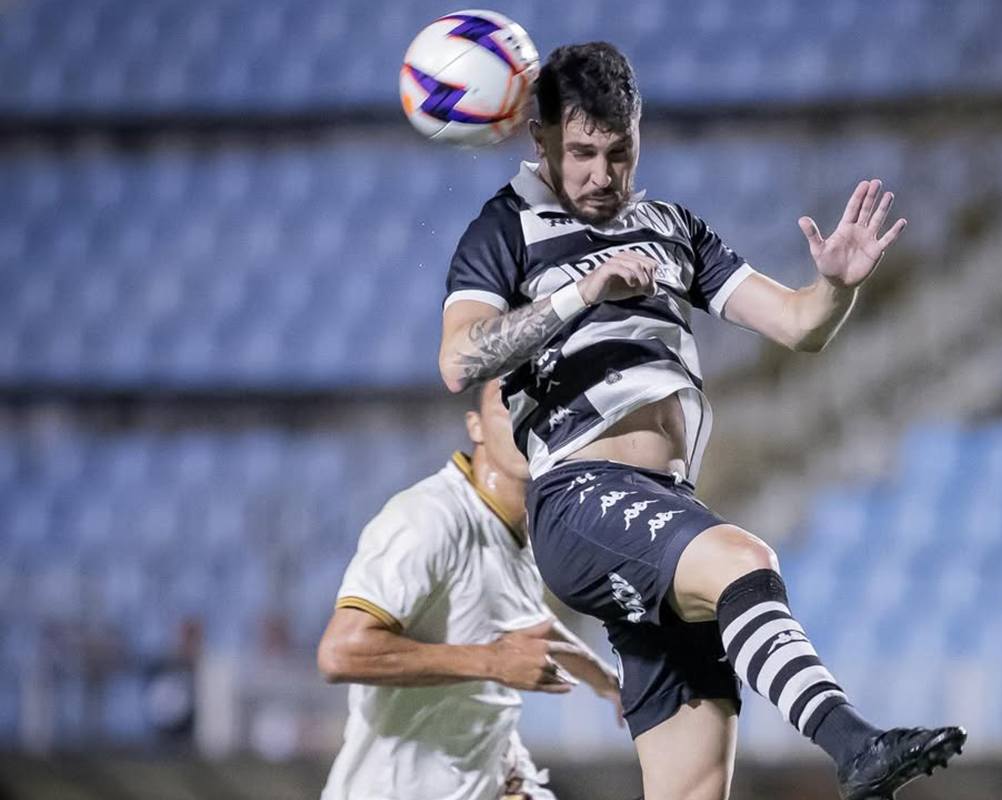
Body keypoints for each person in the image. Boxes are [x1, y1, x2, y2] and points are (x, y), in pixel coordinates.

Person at [438, 42, 966, 800]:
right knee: (743, 561)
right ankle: (855, 746)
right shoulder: (505, 228)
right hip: (579, 498)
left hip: (663, 509)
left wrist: (835, 287)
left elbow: (797, 325)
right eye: (582, 153)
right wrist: (581, 293)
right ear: (541, 139)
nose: (602, 175)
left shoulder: (672, 226)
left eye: (619, 153)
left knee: (693, 788)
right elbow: (459, 359)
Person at [317, 379, 620, 800]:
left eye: (538, 406)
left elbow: (526, 622)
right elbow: (341, 653)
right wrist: (494, 661)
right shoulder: (429, 517)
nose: (524, 418)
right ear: (475, 426)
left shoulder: (523, 529)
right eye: (507, 405)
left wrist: (607, 682)